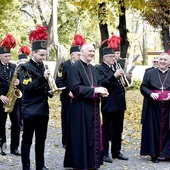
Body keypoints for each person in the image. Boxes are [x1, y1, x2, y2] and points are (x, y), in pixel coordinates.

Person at [64, 43, 109, 170]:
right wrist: (95, 91)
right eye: (89, 51)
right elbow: (75, 88)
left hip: (93, 107)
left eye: (93, 51)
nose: (92, 53)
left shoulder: (94, 68)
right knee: (81, 137)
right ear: (82, 52)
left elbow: (97, 84)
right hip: (80, 108)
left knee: (93, 136)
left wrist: (103, 92)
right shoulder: (74, 68)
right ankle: (81, 164)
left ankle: (92, 163)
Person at [21, 25, 53, 170]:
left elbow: (43, 88)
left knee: (41, 141)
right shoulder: (25, 67)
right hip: (30, 110)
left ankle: (40, 165)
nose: (43, 57)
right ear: (33, 53)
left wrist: (50, 91)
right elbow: (28, 87)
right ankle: (26, 167)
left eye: (44, 55)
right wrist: (42, 78)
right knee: (27, 141)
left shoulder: (43, 66)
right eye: (40, 54)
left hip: (42, 110)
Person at [96, 34, 129, 163]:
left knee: (118, 130)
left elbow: (123, 84)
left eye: (114, 56)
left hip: (120, 103)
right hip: (108, 104)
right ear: (105, 58)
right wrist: (114, 76)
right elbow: (102, 84)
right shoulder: (99, 68)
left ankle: (116, 151)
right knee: (107, 130)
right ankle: (104, 153)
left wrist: (127, 78)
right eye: (111, 56)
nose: (114, 58)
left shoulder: (117, 66)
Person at [55, 34, 85, 149]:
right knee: (66, 119)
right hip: (67, 98)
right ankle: (66, 141)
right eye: (79, 54)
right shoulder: (64, 65)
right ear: (72, 55)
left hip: (79, 97)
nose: (80, 56)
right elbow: (59, 81)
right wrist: (68, 91)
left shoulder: (82, 65)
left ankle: (77, 140)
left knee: (78, 120)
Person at [140, 52, 170, 163]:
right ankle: (154, 154)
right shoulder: (150, 73)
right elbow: (143, 87)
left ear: (169, 62)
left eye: (165, 60)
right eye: (160, 59)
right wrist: (150, 94)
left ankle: (167, 154)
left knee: (168, 130)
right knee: (153, 130)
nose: (162, 61)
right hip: (153, 107)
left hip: (168, 107)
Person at [0, 34, 21, 156]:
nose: (8, 58)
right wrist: (0, 96)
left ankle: (15, 148)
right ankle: (2, 147)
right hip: (2, 99)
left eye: (9, 56)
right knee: (1, 125)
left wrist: (18, 82)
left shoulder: (14, 67)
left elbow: (21, 83)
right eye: (6, 56)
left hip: (13, 99)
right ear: (0, 56)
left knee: (16, 124)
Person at [141, 56, 159, 124]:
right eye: (155, 62)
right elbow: (144, 83)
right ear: (152, 62)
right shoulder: (148, 70)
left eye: (157, 61)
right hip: (150, 92)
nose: (156, 63)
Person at [17, 45, 30, 131]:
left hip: (27, 91)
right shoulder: (17, 69)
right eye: (22, 62)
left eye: (25, 61)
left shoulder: (28, 68)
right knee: (19, 108)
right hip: (19, 91)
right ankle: (19, 123)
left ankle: (26, 123)